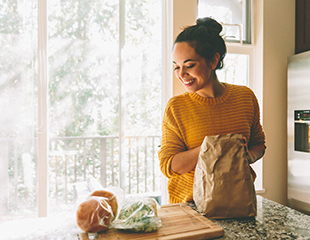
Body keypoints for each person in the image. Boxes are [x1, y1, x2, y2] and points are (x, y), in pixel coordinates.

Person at [158, 17, 266, 204]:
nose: (181, 75)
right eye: (177, 67)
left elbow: (259, 143)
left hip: (239, 202)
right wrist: (213, 148)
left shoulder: (245, 97)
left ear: (213, 60)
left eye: (189, 65)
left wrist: (246, 156)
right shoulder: (176, 107)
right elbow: (169, 165)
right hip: (191, 209)